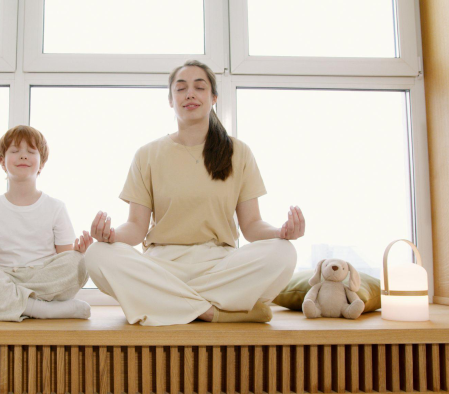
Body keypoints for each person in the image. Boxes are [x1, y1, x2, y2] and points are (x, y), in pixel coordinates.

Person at [83, 60, 305, 326]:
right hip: (163, 267)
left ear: (213, 98)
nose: (189, 94)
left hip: (219, 265)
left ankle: (168, 305)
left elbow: (252, 225)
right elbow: (135, 227)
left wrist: (280, 233)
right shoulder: (147, 154)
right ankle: (212, 311)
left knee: (284, 253)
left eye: (199, 87)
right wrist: (110, 236)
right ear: (170, 100)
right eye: (181, 88)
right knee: (97, 255)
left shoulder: (238, 152)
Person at [0, 125, 93, 322]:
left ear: (41, 163)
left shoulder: (56, 207)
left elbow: (65, 258)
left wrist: (79, 252)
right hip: (6, 277)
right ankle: (42, 309)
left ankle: (0, 305)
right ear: (2, 162)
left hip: (43, 278)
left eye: (31, 152)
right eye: (15, 151)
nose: (23, 156)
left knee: (79, 263)